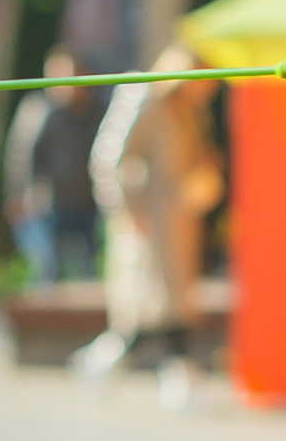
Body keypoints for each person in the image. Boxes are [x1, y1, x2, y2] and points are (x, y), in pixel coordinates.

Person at [71, 42, 224, 407]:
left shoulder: (189, 112)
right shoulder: (144, 98)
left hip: (177, 223)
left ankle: (161, 375)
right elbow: (110, 160)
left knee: (164, 309)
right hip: (148, 225)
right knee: (149, 308)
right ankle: (167, 377)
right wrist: (127, 210)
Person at [1, 47, 100, 286]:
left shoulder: (95, 112)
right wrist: (17, 195)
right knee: (46, 266)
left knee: (87, 269)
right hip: (45, 205)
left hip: (87, 203)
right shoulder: (38, 110)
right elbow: (20, 155)